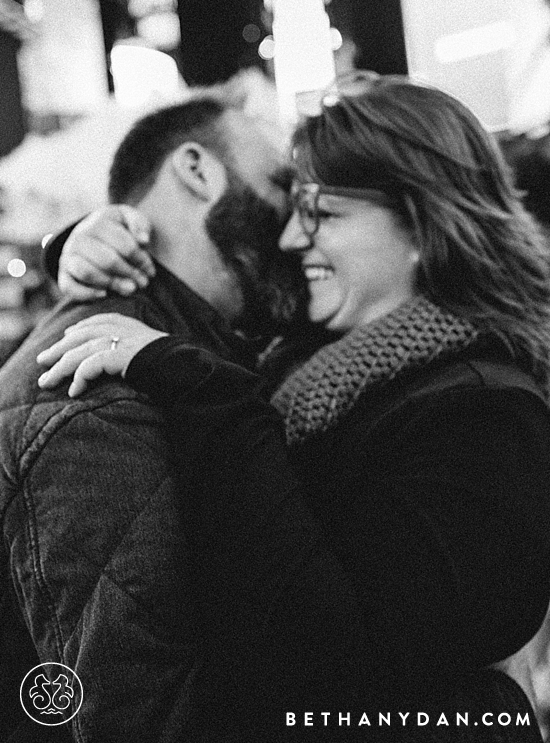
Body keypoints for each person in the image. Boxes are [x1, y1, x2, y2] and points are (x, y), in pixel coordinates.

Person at [37, 73, 550, 740]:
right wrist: (89, 242)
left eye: (323, 215)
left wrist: (211, 396)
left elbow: (326, 664)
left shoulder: (487, 418)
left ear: (425, 226)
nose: (288, 240)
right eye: (294, 210)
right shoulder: (301, 354)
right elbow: (213, 279)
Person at [0, 94, 305, 742]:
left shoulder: (194, 348)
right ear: (197, 169)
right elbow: (142, 713)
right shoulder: (91, 384)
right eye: (281, 182)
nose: (295, 224)